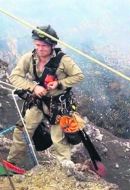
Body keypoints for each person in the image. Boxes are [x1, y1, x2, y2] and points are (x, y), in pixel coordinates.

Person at [7, 25, 84, 168]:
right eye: (37, 45)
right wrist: (34, 87)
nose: (40, 48)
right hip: (38, 101)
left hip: (58, 104)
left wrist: (59, 83)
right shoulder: (29, 58)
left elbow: (78, 76)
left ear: (52, 45)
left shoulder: (63, 60)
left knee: (59, 139)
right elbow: (15, 76)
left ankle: (65, 169)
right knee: (23, 130)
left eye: (44, 45)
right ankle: (13, 164)